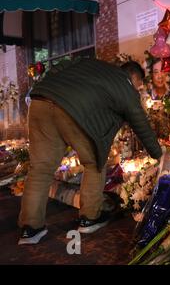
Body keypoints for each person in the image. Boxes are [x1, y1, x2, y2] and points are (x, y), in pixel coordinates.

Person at [18, 58, 162, 245]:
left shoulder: (91, 64)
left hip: (39, 102)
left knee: (40, 169)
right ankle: (89, 217)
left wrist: (51, 87)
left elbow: (60, 65)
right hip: (73, 111)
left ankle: (30, 229)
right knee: (95, 162)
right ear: (133, 77)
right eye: (139, 86)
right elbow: (140, 123)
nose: (138, 90)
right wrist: (160, 155)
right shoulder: (124, 85)